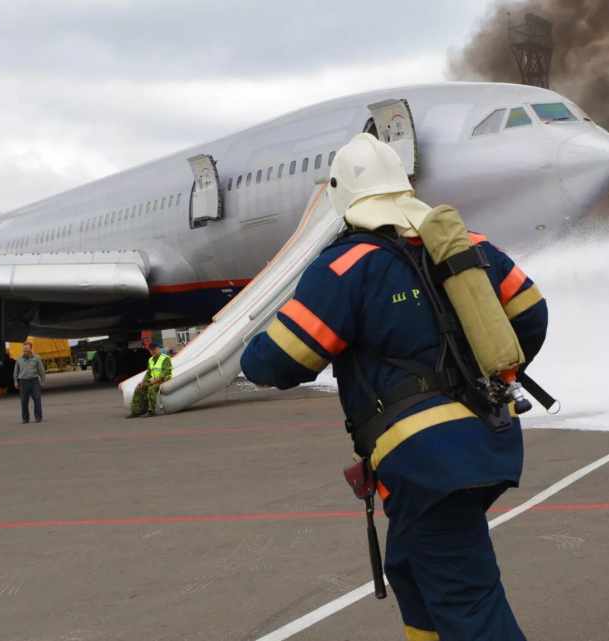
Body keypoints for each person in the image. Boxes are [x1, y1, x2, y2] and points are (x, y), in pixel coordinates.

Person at [241, 133, 547, 641]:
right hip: (486, 435)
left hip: (426, 460)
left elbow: (276, 362)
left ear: (343, 197)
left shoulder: (346, 265)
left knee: (467, 600)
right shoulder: (469, 246)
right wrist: (479, 379)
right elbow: (532, 316)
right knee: (409, 566)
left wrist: (256, 337)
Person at [129, 343, 171, 417]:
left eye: (154, 349)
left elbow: (165, 372)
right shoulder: (150, 360)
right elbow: (148, 373)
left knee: (151, 389)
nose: (153, 351)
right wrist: (143, 382)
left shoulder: (165, 358)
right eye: (151, 350)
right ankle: (136, 411)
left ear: (158, 349)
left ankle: (151, 411)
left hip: (164, 380)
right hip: (153, 380)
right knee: (139, 388)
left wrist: (155, 380)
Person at [13, 342, 46, 423]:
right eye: (24, 349)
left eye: (27, 349)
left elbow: (41, 370)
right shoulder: (19, 359)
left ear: (31, 349)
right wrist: (15, 382)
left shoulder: (37, 358)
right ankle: (25, 418)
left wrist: (43, 381)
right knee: (24, 401)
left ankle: (38, 417)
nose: (25, 351)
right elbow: (15, 372)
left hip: (34, 381)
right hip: (23, 382)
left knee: (37, 399)